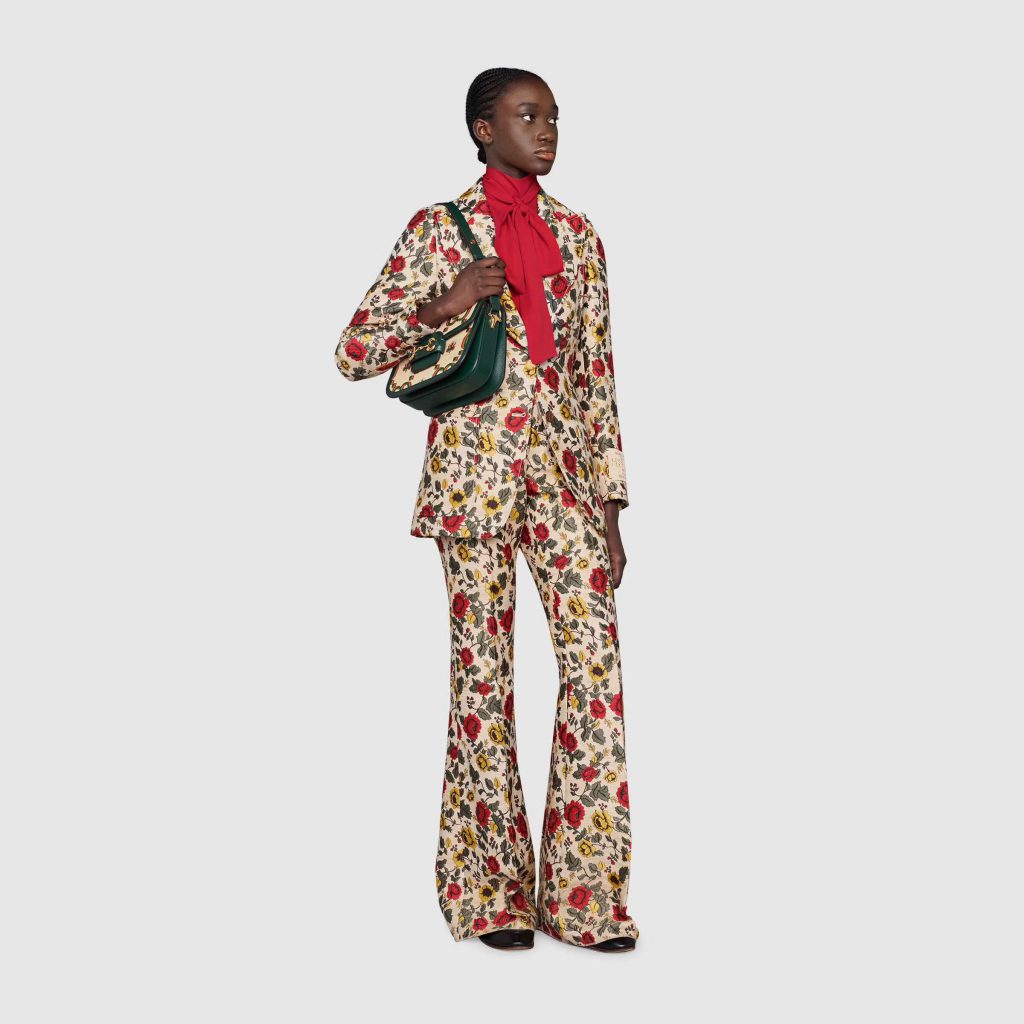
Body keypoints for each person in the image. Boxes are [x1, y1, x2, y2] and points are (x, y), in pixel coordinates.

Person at [335, 68, 639, 953]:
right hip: (473, 478)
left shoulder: (578, 235)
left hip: (566, 478)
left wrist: (612, 506)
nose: (546, 131)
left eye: (553, 118)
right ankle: (491, 894)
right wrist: (448, 300)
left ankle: (584, 898)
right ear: (482, 129)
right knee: (483, 680)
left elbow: (596, 376)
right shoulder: (439, 227)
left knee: (595, 670)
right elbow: (353, 350)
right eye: (526, 115)